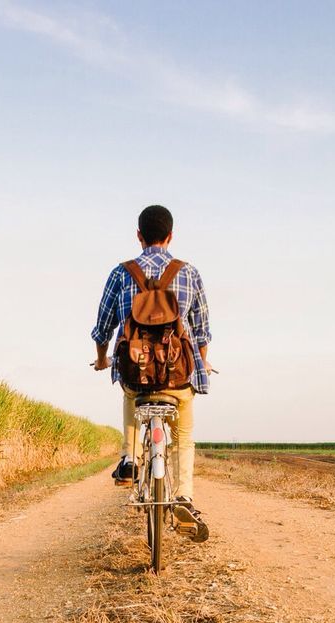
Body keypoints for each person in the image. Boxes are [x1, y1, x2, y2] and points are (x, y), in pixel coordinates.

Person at [91, 204, 212, 541]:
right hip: (178, 377)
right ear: (170, 236)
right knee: (183, 436)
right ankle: (184, 496)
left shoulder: (121, 273)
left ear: (139, 236)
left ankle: (130, 458)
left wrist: (102, 359)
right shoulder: (188, 273)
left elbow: (102, 328)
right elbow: (201, 332)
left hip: (136, 373)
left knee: (131, 394)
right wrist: (203, 361)